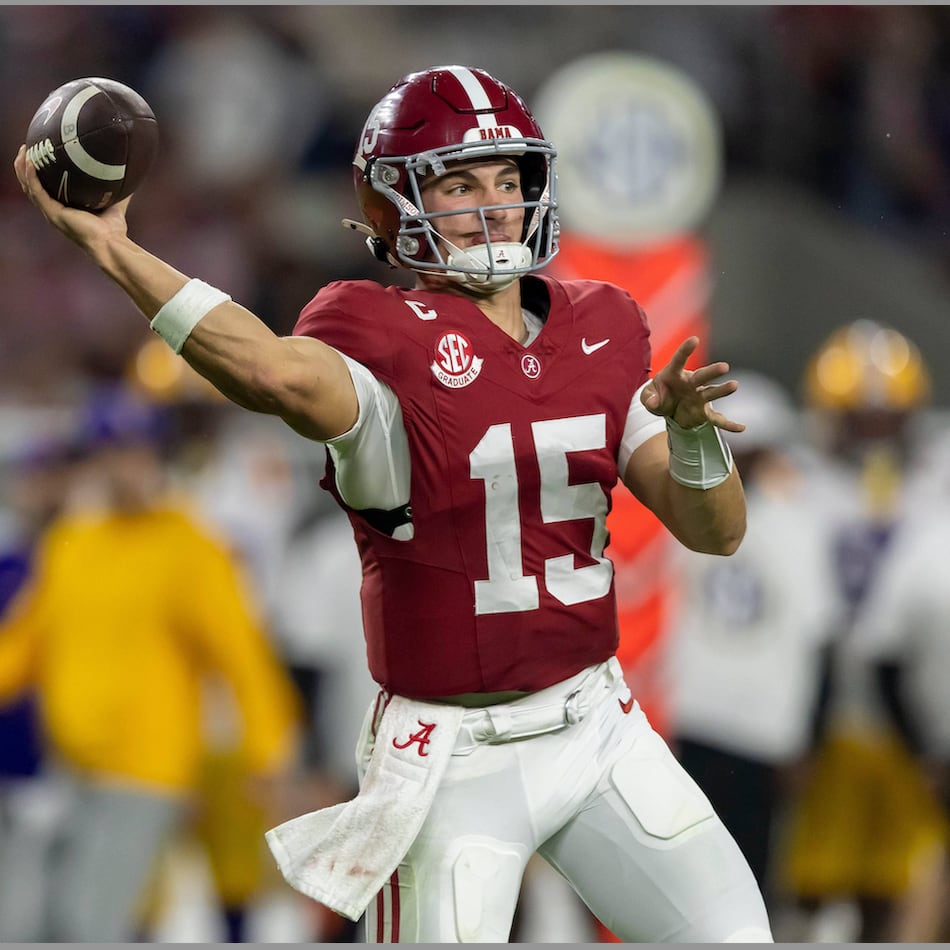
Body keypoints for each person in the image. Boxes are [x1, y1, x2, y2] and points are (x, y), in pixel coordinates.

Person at [14, 64, 772, 943]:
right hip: (452, 756)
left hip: (598, 723)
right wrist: (112, 247)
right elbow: (265, 368)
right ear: (392, 208)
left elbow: (717, 532)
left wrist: (690, 436)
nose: (492, 205)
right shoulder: (378, 334)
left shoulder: (599, 324)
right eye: (458, 183)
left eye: (507, 179)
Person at [0, 383, 302, 942]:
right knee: (40, 921)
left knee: (92, 923)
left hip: (145, 769)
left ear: (155, 458)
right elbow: (24, 644)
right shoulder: (73, 541)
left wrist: (269, 747)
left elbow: (241, 654)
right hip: (70, 766)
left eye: (135, 452)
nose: (123, 468)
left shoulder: (188, 545)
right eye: (110, 453)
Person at [776, 320, 949, 942]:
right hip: (824, 709)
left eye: (888, 419)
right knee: (811, 874)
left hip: (910, 709)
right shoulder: (793, 476)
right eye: (860, 419)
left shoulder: (934, 474)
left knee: (902, 880)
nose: (875, 435)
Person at [661, 369, 839, 924]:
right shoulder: (797, 524)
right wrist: (810, 735)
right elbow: (820, 637)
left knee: (702, 882)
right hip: (740, 726)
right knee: (732, 884)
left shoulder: (683, 516)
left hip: (710, 721)